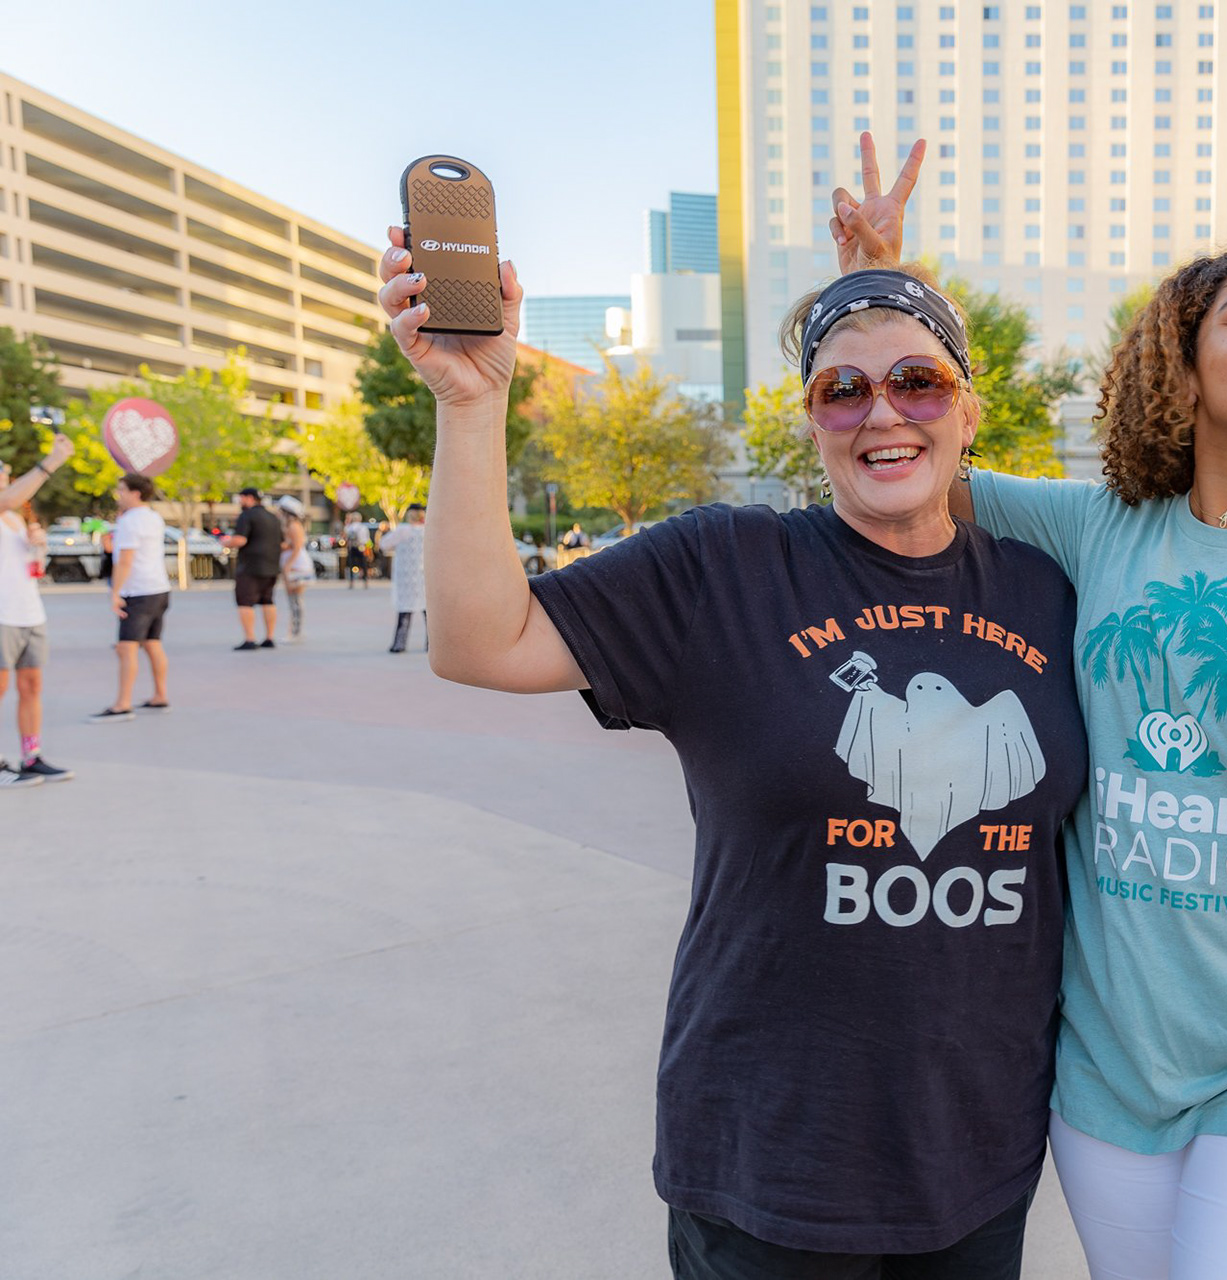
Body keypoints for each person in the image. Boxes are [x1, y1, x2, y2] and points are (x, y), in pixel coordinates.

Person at [378, 180, 1087, 1276]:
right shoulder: (727, 566)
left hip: (976, 1155)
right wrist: (472, 406)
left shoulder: (1046, 588)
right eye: (841, 390)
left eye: (919, 381)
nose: (884, 411)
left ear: (970, 404)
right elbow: (479, 640)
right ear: (809, 418)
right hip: (768, 1161)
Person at [835, 144, 1227, 1278]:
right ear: (1180, 357)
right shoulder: (1102, 527)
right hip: (1117, 1069)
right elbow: (909, 451)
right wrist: (887, 294)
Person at [0, 435, 77, 787]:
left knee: (31, 686)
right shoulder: (6, 506)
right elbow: (11, 497)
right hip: (2, 617)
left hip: (30, 613)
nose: (6, 475)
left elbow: (33, 569)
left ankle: (31, 757)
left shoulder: (15, 519)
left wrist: (38, 547)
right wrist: (53, 460)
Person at [90, 473, 171, 724]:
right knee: (152, 643)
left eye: (122, 490)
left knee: (127, 647)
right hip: (158, 588)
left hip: (138, 591)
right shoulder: (153, 517)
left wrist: (115, 593)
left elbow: (125, 560)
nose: (118, 495)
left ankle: (122, 704)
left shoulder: (130, 522)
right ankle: (160, 694)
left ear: (135, 493)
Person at [222, 487, 283, 649]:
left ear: (249, 498)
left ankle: (250, 639)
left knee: (245, 602)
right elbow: (282, 543)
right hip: (271, 566)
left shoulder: (246, 515)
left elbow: (240, 540)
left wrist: (225, 542)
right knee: (268, 600)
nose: (240, 502)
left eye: (241, 498)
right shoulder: (273, 517)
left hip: (250, 566)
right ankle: (269, 638)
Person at [382, 504, 427, 652]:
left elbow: (384, 544)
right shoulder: (428, 531)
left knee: (405, 612)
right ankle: (432, 644)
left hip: (406, 577)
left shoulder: (403, 530)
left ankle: (399, 643)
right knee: (428, 612)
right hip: (424, 576)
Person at [277, 496, 317, 641]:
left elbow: (297, 547)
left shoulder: (294, 526)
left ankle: (295, 632)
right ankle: (295, 631)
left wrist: (288, 565)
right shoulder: (291, 526)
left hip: (296, 566)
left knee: (295, 600)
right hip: (294, 564)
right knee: (294, 599)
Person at [343, 515, 371, 587]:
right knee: (364, 564)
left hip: (352, 547)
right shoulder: (363, 527)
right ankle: (365, 581)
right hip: (361, 547)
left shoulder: (349, 527)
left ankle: (351, 581)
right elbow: (367, 539)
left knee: (351, 564)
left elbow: (345, 538)